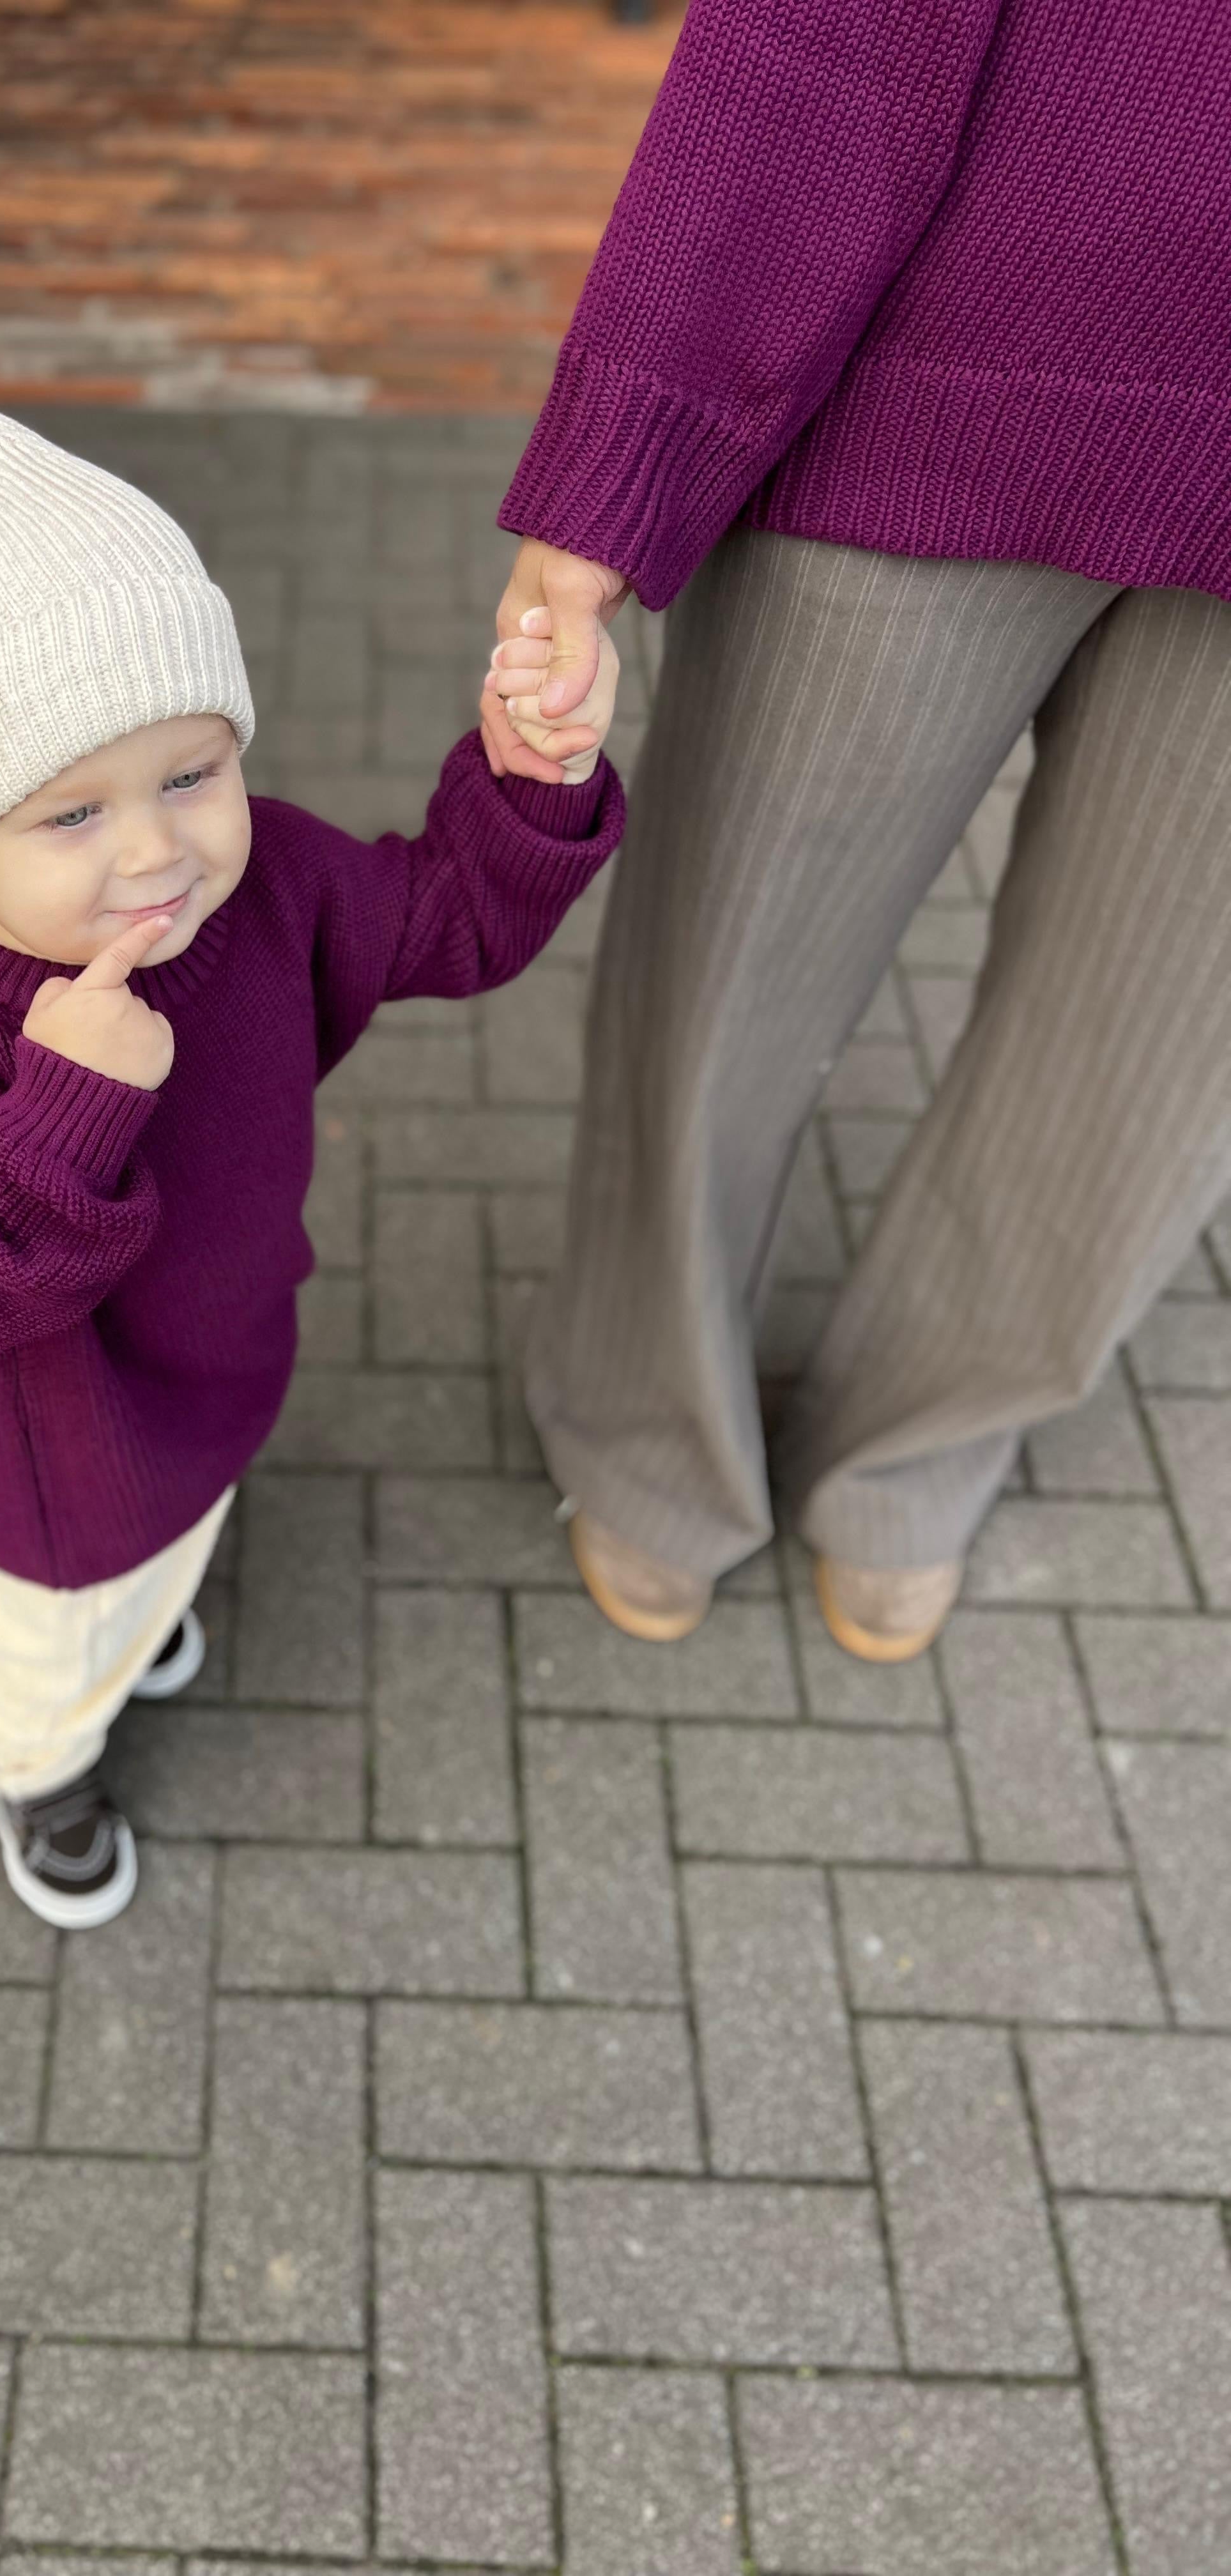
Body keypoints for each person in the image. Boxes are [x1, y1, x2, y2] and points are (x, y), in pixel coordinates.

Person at [480, 0, 1231, 1664]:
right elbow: (824, 41)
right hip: (942, 370)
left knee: (1165, 1056)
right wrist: (624, 464)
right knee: (729, 966)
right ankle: (648, 1424)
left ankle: (926, 1441)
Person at [0, 401, 622, 1925]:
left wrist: (529, 776)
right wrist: (63, 1108)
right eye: (72, 812)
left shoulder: (266, 897)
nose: (154, 852)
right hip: (57, 1472)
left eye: (191, 774)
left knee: (177, 1543)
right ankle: (38, 1772)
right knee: (55, 1650)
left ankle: (148, 1614)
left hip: (217, 1374)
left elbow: (450, 918)